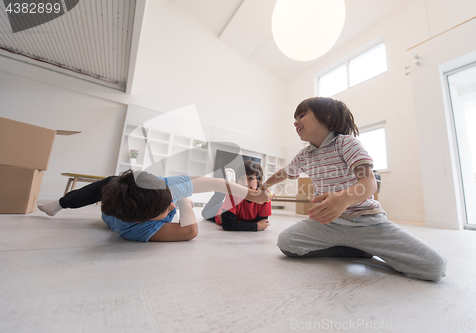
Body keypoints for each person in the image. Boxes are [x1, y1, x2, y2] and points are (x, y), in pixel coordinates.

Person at [260, 97, 447, 281]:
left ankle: (360, 245)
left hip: (367, 223)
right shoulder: (304, 155)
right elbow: (284, 173)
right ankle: (350, 248)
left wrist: (344, 198)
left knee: (434, 267)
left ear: (328, 117)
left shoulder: (346, 143)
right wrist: (265, 186)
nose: (296, 121)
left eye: (301, 115)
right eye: (295, 117)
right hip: (327, 224)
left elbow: (369, 182)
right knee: (286, 243)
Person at [38, 169, 270, 242]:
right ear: (144, 220)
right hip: (110, 209)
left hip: (152, 187)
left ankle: (61, 203)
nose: (171, 207)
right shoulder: (134, 230)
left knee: (113, 180)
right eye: (167, 210)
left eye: (170, 201)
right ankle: (63, 203)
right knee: (108, 183)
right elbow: (189, 231)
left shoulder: (167, 189)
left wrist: (254, 196)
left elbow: (217, 182)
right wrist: (186, 204)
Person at [202, 160, 272, 231]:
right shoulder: (233, 194)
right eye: (241, 178)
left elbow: (262, 223)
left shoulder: (264, 197)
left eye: (250, 178)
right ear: (237, 180)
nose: (246, 183)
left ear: (259, 181)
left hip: (232, 207)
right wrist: (257, 226)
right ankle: (223, 188)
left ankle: (226, 187)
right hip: (218, 211)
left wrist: (256, 225)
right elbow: (228, 224)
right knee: (205, 213)